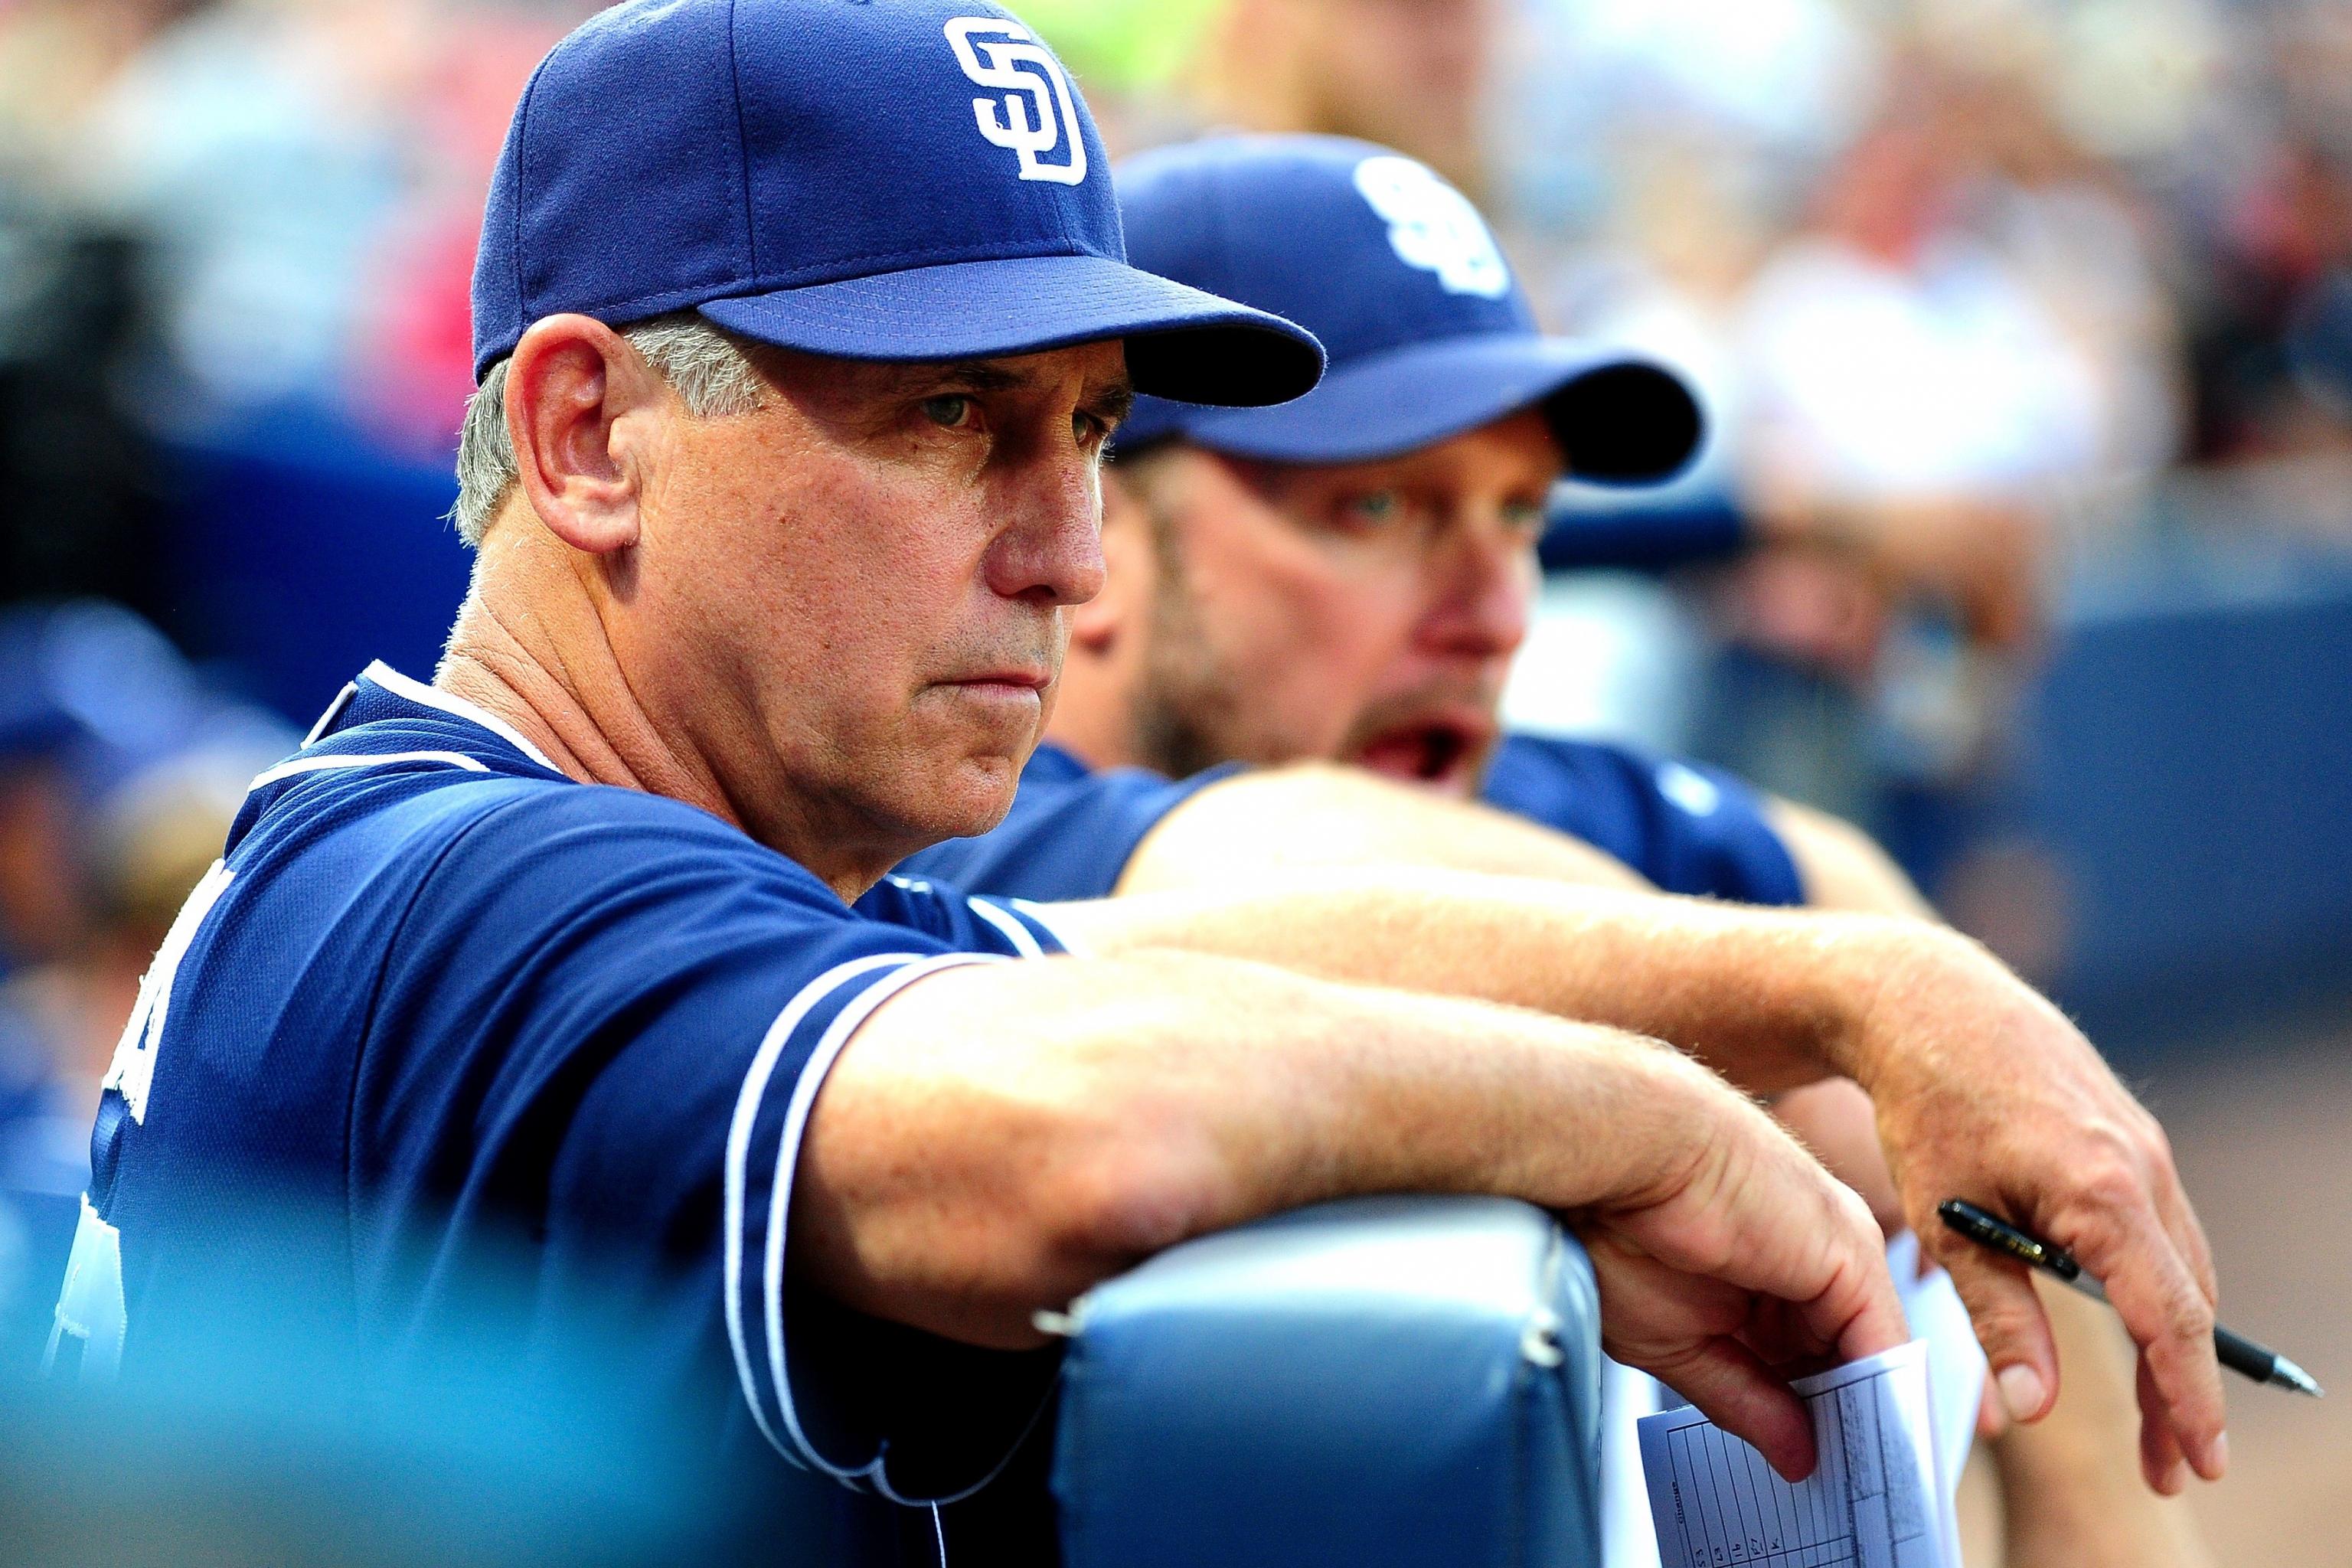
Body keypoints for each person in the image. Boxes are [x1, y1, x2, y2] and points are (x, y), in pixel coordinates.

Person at [56, 6, 2219, 1563]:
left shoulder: (741, 871)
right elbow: (1099, 1129)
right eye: (955, 419)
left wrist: (1848, 993)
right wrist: (1652, 1122)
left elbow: (1188, 941)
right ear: (589, 435)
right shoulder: (452, 883)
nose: (1068, 544)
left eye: (1091, 430)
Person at [898, 133, 2216, 1560]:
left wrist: (2080, 1486)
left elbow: (1822, 875)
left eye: (1520, 516)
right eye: (1381, 507)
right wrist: (1855, 999)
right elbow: (1287, 860)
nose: (1497, 610)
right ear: (1106, 532)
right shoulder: (938, 826)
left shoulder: (1440, 776)